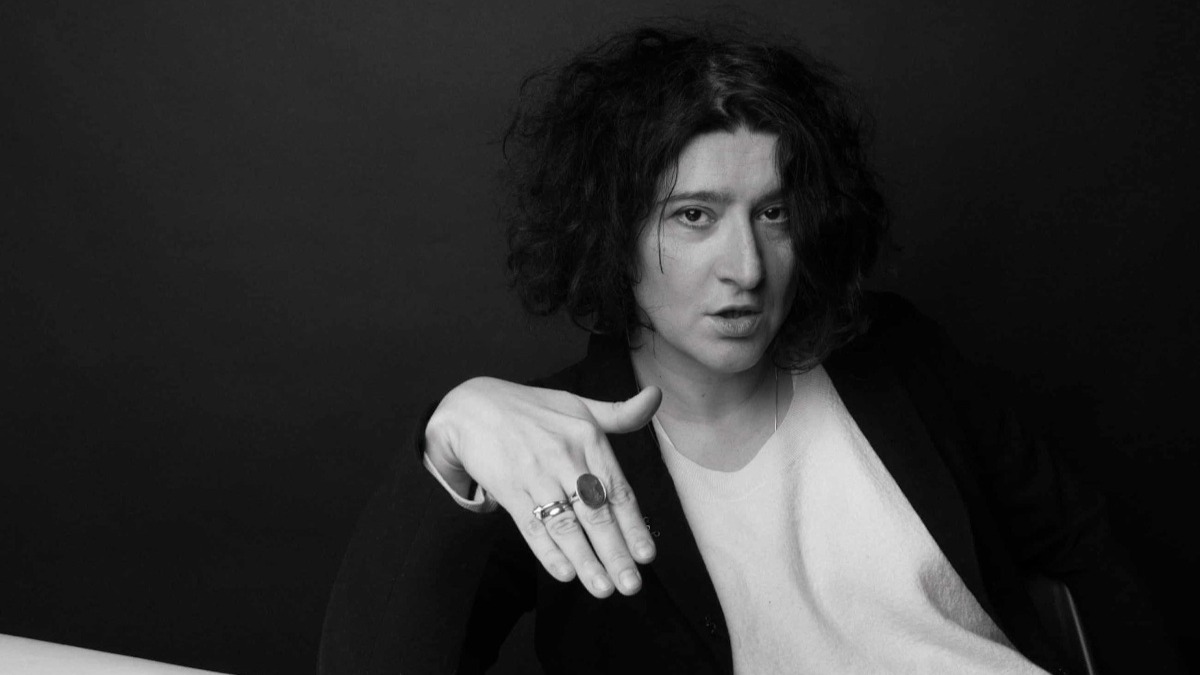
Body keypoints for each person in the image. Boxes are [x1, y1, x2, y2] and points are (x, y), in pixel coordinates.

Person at [319, 23, 1181, 675]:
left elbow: (1085, 543)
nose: (747, 266)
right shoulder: (553, 454)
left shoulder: (895, 353)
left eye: (773, 213)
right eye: (694, 215)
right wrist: (450, 438)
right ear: (611, 232)